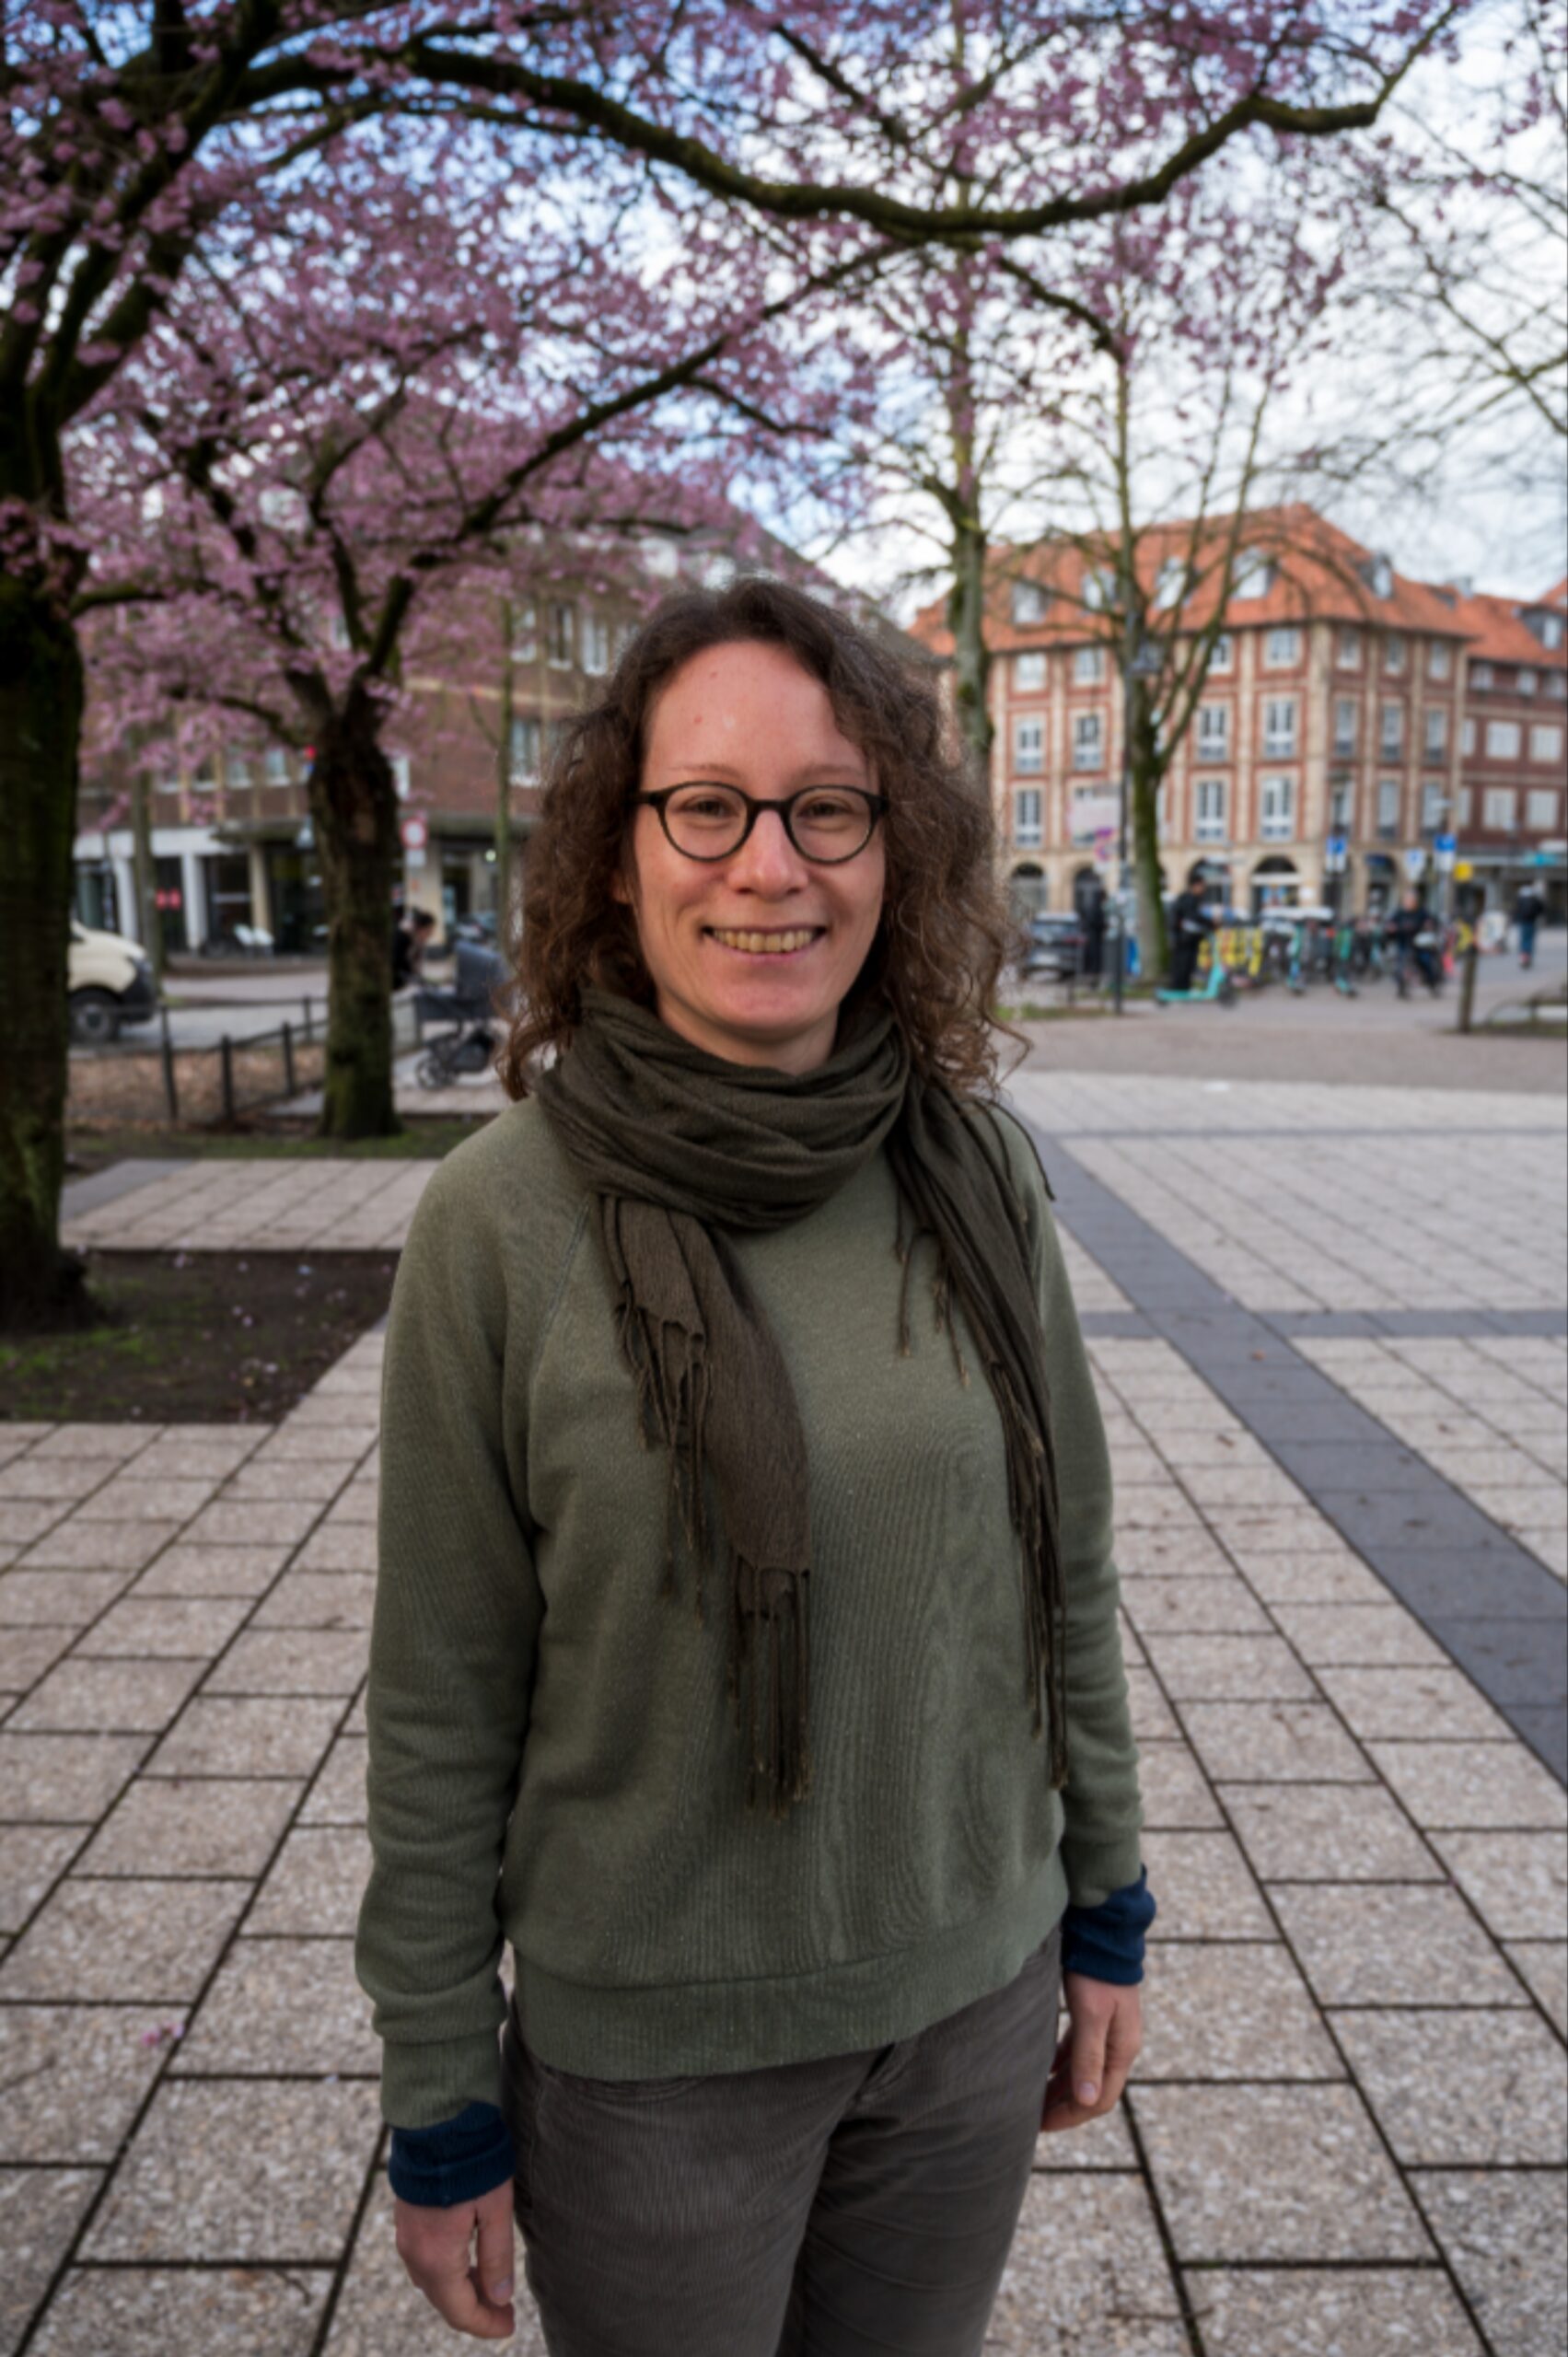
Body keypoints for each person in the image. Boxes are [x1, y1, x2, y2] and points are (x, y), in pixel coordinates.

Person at [357, 579, 1152, 2355]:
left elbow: (1064, 1570)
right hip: (653, 2074)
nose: (768, 866)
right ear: (618, 854)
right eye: (706, 807)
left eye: (827, 808)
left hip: (969, 2006)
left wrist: (1105, 1905)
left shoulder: (974, 1172)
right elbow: (439, 1693)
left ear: (894, 849)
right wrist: (437, 2086)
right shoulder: (498, 1225)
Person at [1167, 872, 1215, 993]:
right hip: (1184, 939)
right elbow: (1193, 917)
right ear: (1196, 885)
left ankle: (1182, 988)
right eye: (1202, 886)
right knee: (1183, 964)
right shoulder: (1189, 899)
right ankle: (1180, 989)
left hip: (1184, 938)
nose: (1203, 889)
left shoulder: (1186, 898)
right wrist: (1210, 923)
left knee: (1185, 965)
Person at [1387, 889, 1440, 996]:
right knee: (1400, 962)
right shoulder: (1399, 912)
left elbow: (1430, 921)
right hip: (1403, 941)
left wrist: (1428, 924)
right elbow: (1391, 923)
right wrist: (1391, 927)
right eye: (1407, 900)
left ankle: (1432, 983)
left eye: (1411, 900)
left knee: (1425, 961)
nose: (1409, 902)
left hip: (1418, 943)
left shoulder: (1421, 912)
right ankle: (1401, 987)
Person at [393, 905, 436, 990]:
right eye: (427, 932)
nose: (428, 937)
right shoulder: (402, 938)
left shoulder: (416, 940)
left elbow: (417, 966)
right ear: (420, 928)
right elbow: (401, 966)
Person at [1513, 881, 1546, 970]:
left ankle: (1523, 957)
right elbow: (1542, 909)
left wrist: (1515, 919)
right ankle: (1528, 957)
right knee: (1530, 940)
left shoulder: (1520, 899)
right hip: (1532, 921)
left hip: (1523, 922)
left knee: (1523, 939)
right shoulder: (1534, 899)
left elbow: (1516, 910)